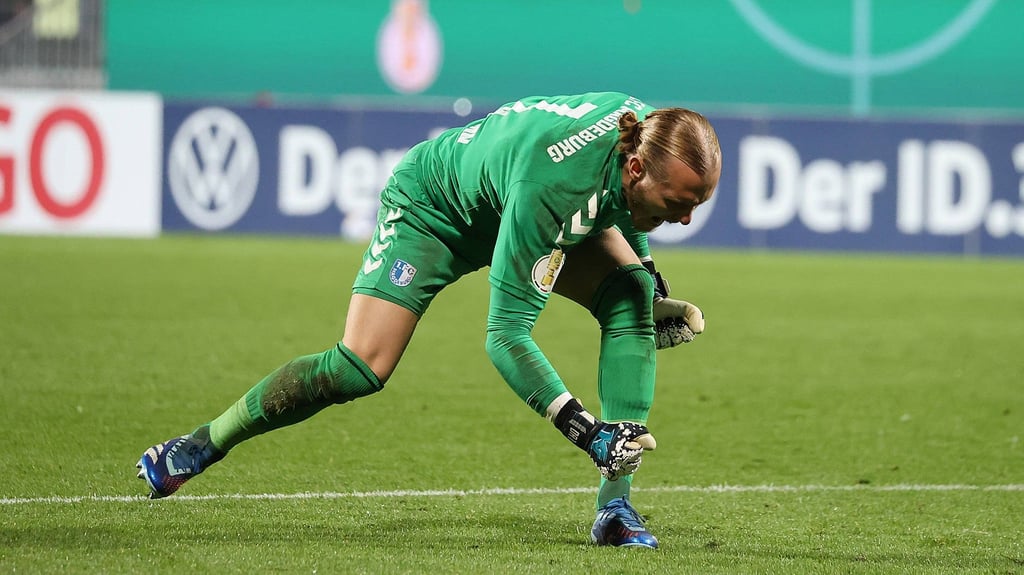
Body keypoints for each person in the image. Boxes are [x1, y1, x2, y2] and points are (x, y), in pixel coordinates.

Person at [137, 91, 721, 549]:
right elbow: (504, 337)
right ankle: (196, 447)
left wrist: (650, 276)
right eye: (679, 204)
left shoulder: (643, 132)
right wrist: (585, 431)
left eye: (698, 204)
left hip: (510, 201)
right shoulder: (557, 186)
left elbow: (622, 208)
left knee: (631, 298)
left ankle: (615, 510)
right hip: (434, 210)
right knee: (360, 366)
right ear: (636, 165)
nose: (688, 220)